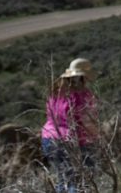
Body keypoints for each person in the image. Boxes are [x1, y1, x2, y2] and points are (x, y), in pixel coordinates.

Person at [41, 58, 99, 193]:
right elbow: (86, 121)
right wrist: (98, 136)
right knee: (79, 182)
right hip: (74, 141)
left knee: (64, 179)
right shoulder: (81, 95)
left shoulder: (55, 92)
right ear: (84, 77)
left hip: (49, 138)